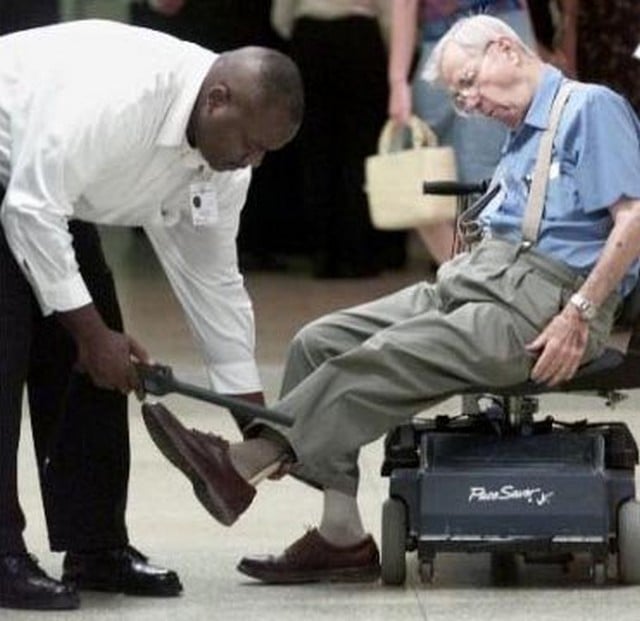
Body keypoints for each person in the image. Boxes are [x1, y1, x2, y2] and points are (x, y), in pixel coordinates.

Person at [142, 14, 640, 584]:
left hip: (542, 306)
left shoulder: (589, 108)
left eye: (471, 83)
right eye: (460, 96)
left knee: (386, 354)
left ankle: (244, 463)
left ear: (506, 48)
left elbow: (634, 217)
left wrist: (580, 312)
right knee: (319, 342)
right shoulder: (522, 134)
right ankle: (342, 537)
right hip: (477, 283)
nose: (471, 103)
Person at [0, 19, 303, 609]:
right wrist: (89, 333)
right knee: (11, 349)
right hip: (17, 172)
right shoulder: (121, 101)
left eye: (268, 150)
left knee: (92, 366)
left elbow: (213, 281)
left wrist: (252, 418)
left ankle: (95, 546)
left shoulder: (228, 163)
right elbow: (30, 209)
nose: (255, 161)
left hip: (48, 192)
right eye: (251, 142)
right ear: (218, 100)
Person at [388, 0, 534, 266]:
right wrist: (398, 80)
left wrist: (398, 80)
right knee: (427, 179)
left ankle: (488, 278)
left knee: (480, 176)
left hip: (488, 32)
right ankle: (474, 277)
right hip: (457, 36)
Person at [271, 0, 407, 278]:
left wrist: (294, 30)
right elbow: (391, 11)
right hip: (360, 36)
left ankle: (322, 252)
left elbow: (281, 15)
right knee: (360, 149)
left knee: (315, 150)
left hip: (310, 35)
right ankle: (356, 250)